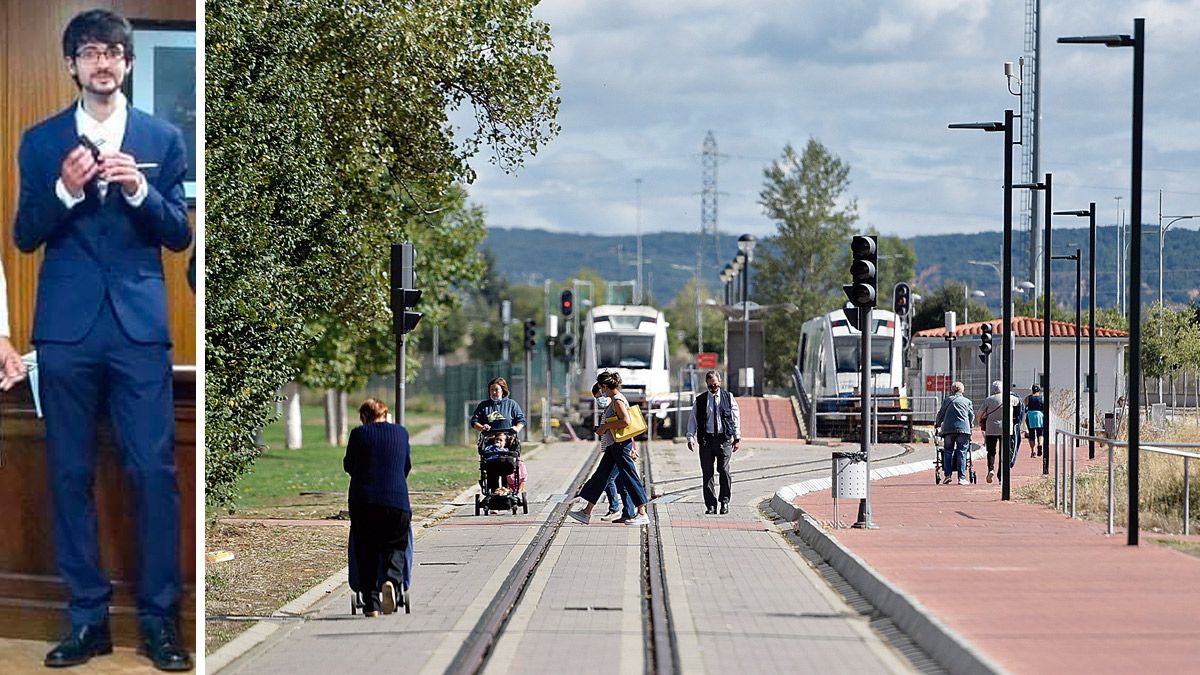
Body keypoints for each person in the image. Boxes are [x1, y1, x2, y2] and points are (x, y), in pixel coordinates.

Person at [13, 9, 192, 670]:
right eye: (90, 52)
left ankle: (160, 621)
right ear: (72, 65)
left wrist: (141, 186)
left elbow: (178, 234)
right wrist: (64, 189)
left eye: (114, 51)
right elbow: (24, 234)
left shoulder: (163, 138)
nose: (104, 62)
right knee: (68, 474)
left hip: (139, 331)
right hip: (65, 331)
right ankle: (87, 620)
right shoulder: (39, 141)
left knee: (153, 472)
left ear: (129, 62)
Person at [344, 398, 413, 617]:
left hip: (364, 502)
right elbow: (406, 466)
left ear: (364, 417)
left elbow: (349, 465)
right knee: (396, 545)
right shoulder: (401, 433)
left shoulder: (358, 434)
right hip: (397, 502)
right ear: (386, 413)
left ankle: (371, 604)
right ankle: (391, 580)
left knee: (366, 550)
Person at [568, 371, 651, 526]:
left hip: (621, 445)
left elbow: (625, 421)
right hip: (614, 446)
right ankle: (586, 512)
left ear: (605, 386)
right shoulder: (614, 400)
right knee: (601, 476)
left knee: (629, 476)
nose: (602, 392)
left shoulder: (618, 400)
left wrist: (605, 427)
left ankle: (642, 512)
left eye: (602, 389)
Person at [686, 371, 741, 515]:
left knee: (723, 470)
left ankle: (724, 502)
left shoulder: (728, 397)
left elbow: (735, 418)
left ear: (720, 382)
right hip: (706, 440)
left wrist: (737, 437)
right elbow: (693, 420)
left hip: (724, 439)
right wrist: (690, 437)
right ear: (707, 385)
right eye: (710, 386)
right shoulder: (700, 400)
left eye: (715, 385)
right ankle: (710, 505)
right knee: (707, 473)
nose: (713, 388)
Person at [592, 382, 636, 522]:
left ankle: (614, 509)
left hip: (618, 448)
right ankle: (628, 512)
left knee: (607, 479)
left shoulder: (616, 404)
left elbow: (626, 427)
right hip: (612, 448)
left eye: (600, 395)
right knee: (621, 482)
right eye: (596, 398)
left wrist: (632, 448)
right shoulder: (608, 409)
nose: (599, 399)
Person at [976, 380, 1021, 484]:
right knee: (1004, 452)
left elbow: (979, 414)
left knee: (991, 451)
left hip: (991, 428)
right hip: (1006, 429)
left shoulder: (988, 400)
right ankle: (1001, 476)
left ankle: (990, 469)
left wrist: (980, 423)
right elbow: (1019, 403)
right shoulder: (1010, 398)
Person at [934, 381, 974, 485]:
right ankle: (961, 477)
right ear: (962, 390)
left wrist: (938, 424)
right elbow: (971, 416)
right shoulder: (967, 402)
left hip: (948, 430)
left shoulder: (947, 400)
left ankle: (948, 475)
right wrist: (970, 424)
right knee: (962, 452)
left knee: (948, 451)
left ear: (952, 390)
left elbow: (941, 414)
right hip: (963, 430)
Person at [1025, 384, 1046, 457]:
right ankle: (1040, 445)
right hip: (1039, 415)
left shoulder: (1028, 398)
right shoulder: (1042, 398)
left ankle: (1033, 451)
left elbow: (1026, 406)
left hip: (1030, 415)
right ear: (1039, 390)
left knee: (1031, 434)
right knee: (1040, 433)